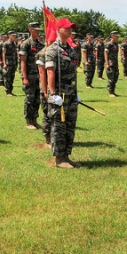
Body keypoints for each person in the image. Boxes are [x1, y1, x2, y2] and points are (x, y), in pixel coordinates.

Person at [42, 18, 80, 168]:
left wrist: (75, 91)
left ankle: (66, 156)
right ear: (59, 30)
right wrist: (52, 94)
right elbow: (50, 73)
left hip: (70, 93)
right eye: (67, 28)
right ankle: (59, 159)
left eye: (71, 28)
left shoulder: (71, 50)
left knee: (70, 126)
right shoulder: (52, 50)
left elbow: (74, 72)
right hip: (60, 94)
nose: (70, 30)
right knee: (59, 126)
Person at [19, 22, 44, 128]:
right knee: (30, 98)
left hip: (39, 76)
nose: (38, 31)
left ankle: (34, 119)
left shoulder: (40, 44)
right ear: (30, 30)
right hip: (29, 75)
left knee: (37, 98)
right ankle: (29, 121)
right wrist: (25, 77)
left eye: (39, 29)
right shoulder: (26, 44)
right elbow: (23, 61)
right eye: (36, 29)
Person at [1, 31, 18, 97]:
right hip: (8, 63)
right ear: (9, 36)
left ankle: (10, 91)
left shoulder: (14, 43)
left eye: (15, 35)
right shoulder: (6, 44)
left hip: (13, 63)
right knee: (7, 77)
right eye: (13, 35)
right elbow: (3, 53)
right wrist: (4, 63)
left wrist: (16, 64)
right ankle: (8, 91)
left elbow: (15, 54)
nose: (14, 37)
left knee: (12, 77)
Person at [105, 31, 120, 97]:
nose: (117, 37)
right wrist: (107, 63)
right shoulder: (109, 44)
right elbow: (106, 54)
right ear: (112, 36)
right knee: (111, 78)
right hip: (110, 64)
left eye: (118, 36)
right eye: (116, 36)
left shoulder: (116, 44)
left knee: (115, 77)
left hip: (115, 63)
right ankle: (110, 92)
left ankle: (113, 91)